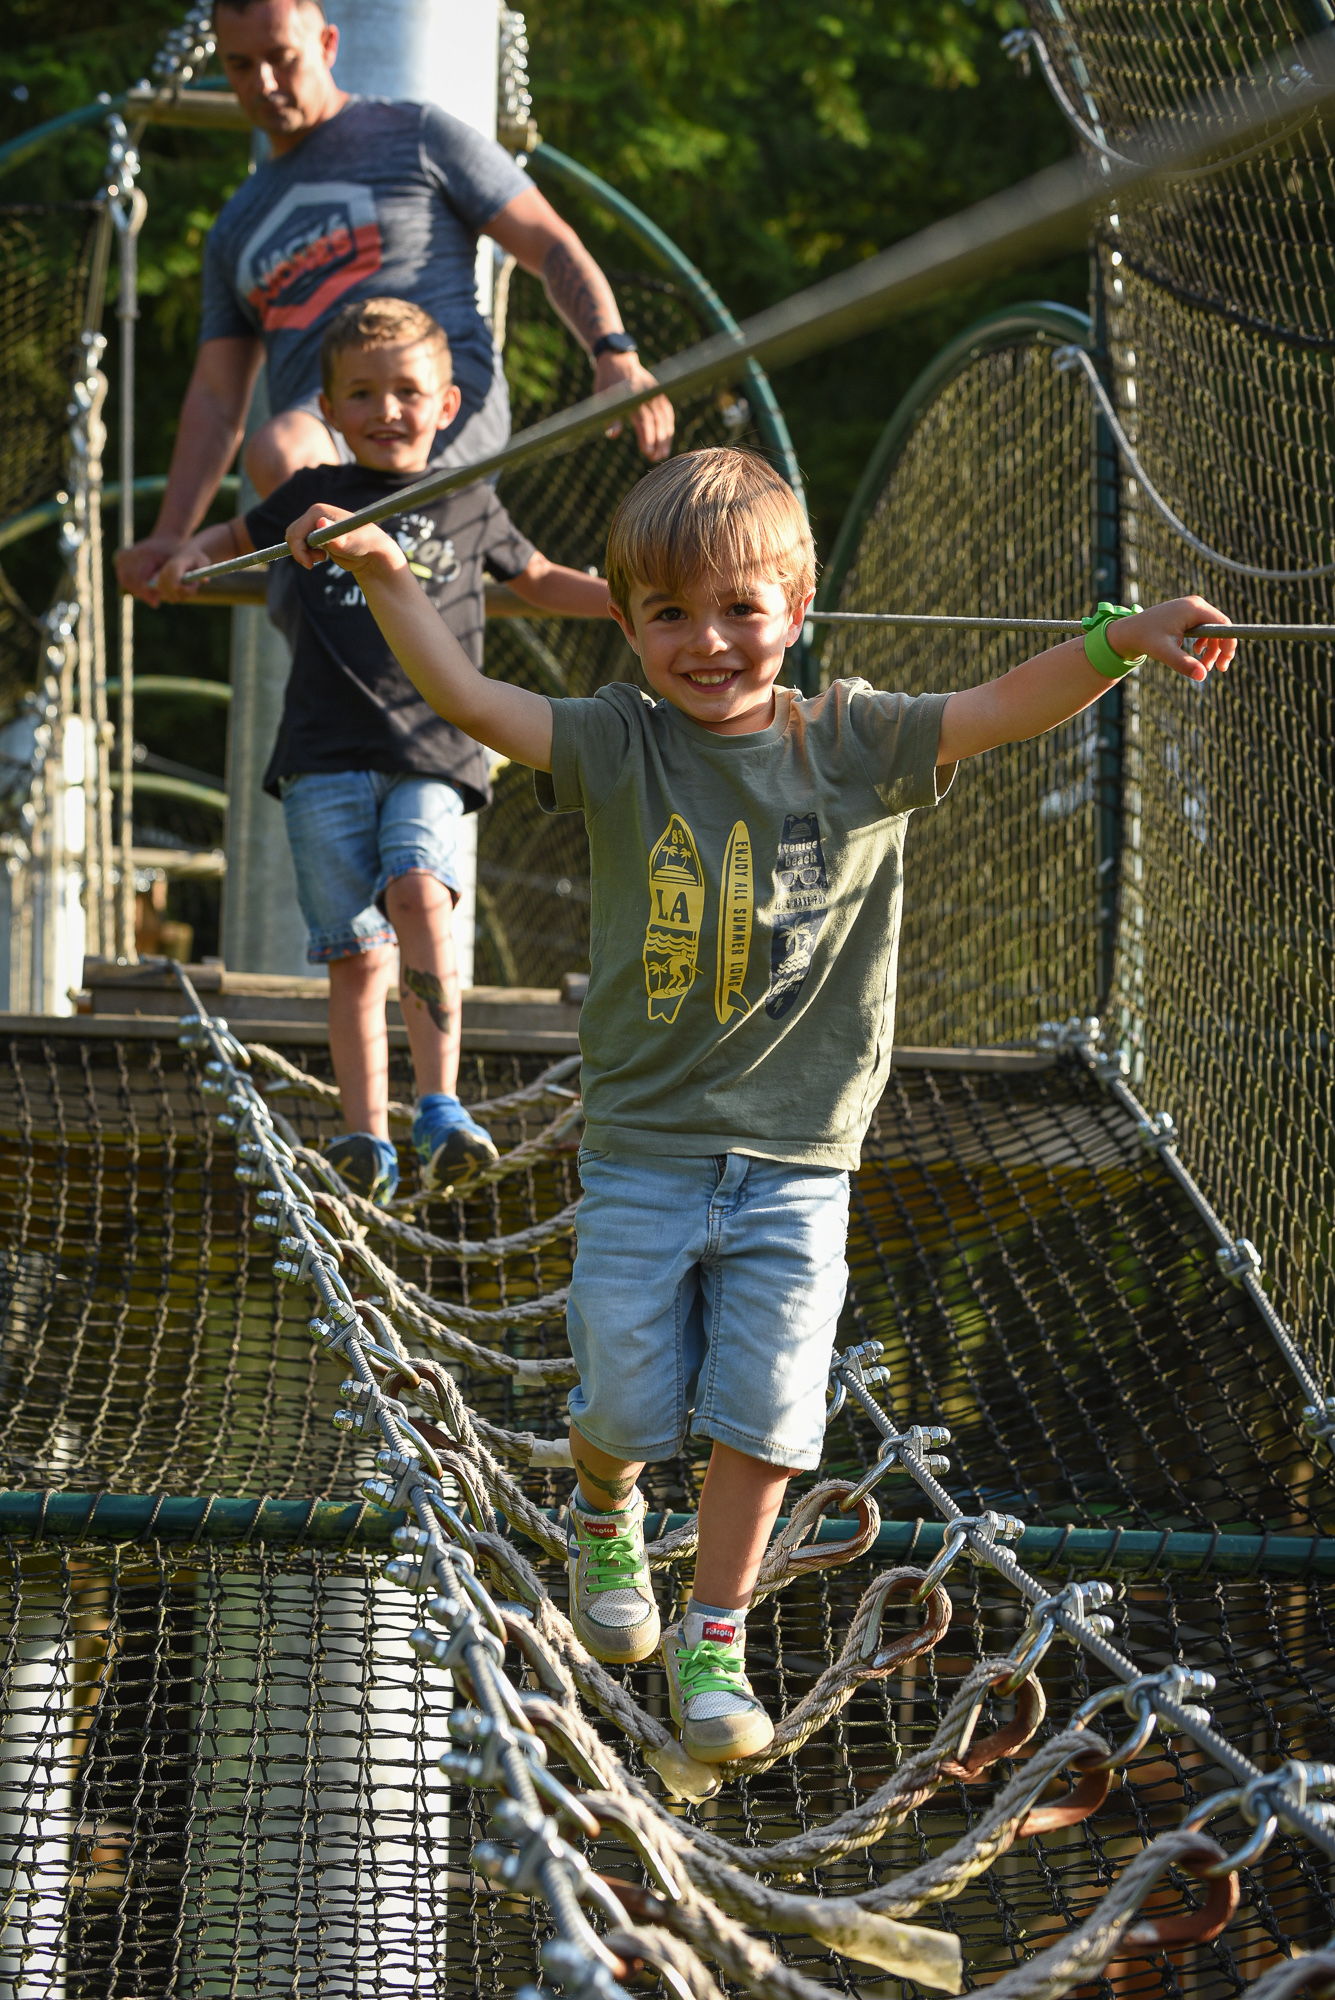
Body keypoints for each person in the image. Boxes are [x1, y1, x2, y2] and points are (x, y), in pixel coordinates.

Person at [273, 445, 1235, 1764]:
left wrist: (1117, 640)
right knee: (624, 1399)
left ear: (796, 607)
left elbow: (1005, 705)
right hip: (645, 1148)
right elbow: (474, 700)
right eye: (669, 613)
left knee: (772, 1413)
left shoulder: (854, 741)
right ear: (626, 624)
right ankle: (604, 1505)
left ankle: (713, 1635)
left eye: (740, 608)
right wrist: (391, 575)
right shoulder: (621, 739)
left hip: (799, 1156)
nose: (707, 641)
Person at [159, 297, 610, 1205]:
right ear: (329, 410)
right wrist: (185, 555)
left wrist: (625, 601)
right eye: (361, 394)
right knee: (355, 954)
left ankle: (439, 1106)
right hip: (322, 754)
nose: (386, 410)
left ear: (447, 405)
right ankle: (365, 1135)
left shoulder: (468, 500)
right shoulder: (309, 495)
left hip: (433, 747)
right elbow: (229, 541)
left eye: (407, 391)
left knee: (418, 892)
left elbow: (538, 579)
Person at [116, 0, 674, 606]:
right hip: (330, 430)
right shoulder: (235, 228)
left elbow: (547, 241)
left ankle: (383, 590)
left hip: (433, 405)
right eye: (241, 65)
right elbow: (216, 396)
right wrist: (170, 534)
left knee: (301, 469)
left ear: (327, 45)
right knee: (283, 454)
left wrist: (612, 348)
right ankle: (372, 607)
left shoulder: (417, 136)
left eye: (282, 58)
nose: (264, 83)